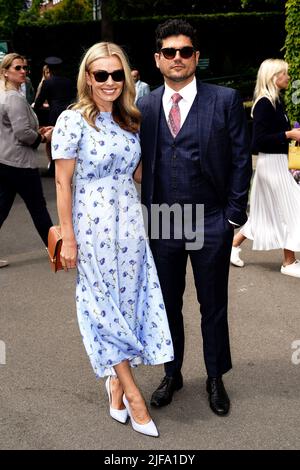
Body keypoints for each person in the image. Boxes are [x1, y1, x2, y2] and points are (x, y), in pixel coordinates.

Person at [51, 42, 174, 437]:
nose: (109, 81)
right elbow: (62, 181)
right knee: (103, 306)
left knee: (130, 301)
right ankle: (134, 396)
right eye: (100, 74)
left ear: (126, 78)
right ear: (87, 77)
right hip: (91, 225)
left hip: (130, 225)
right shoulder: (73, 121)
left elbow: (138, 174)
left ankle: (115, 385)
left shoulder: (129, 120)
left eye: (116, 74)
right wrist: (68, 237)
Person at [138, 19, 252, 416]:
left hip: (210, 218)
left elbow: (241, 160)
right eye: (169, 52)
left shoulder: (224, 100)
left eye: (185, 51)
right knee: (166, 303)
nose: (177, 58)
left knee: (213, 305)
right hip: (163, 218)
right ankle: (172, 373)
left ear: (196, 57)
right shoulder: (145, 105)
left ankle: (216, 376)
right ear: (157, 59)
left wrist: (234, 217)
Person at [230, 59, 300, 277]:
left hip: (277, 164)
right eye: (285, 74)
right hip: (271, 165)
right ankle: (289, 263)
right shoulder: (263, 103)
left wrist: (289, 135)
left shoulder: (276, 101)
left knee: (268, 215)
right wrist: (288, 134)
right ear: (274, 77)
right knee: (291, 211)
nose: (288, 77)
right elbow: (257, 142)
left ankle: (232, 246)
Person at [0, 53, 53, 268]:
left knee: (2, 207)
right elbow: (22, 133)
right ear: (5, 72)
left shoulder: (4, 94)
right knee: (38, 208)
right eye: (17, 68)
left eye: (24, 67)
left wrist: (35, 131)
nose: (23, 71)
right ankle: (57, 251)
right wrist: (42, 136)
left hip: (5, 160)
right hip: (20, 163)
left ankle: (56, 250)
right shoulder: (12, 97)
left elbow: (13, 129)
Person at [34, 56, 75, 176]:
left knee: (51, 141)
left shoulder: (47, 83)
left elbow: (39, 101)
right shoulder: (68, 81)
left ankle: (53, 167)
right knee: (66, 140)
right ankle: (66, 167)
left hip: (54, 113)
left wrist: (35, 109)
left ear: (49, 69)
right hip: (68, 112)